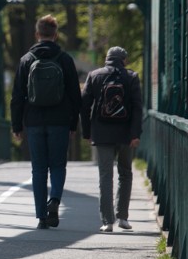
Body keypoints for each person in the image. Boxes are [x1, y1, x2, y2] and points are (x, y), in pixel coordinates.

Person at [10, 14, 82, 229]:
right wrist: (73, 124)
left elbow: (17, 96)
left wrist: (17, 125)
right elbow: (75, 95)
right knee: (58, 166)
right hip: (59, 121)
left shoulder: (26, 60)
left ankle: (41, 216)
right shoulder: (65, 59)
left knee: (38, 169)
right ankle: (55, 200)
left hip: (33, 122)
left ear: (37, 34)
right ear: (56, 34)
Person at [80, 46, 143, 232]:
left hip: (102, 133)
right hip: (125, 134)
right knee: (125, 174)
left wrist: (87, 131)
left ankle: (107, 221)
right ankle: (122, 217)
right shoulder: (131, 77)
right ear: (124, 60)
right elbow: (138, 108)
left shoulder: (94, 76)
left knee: (105, 176)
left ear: (107, 58)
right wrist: (135, 134)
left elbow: (84, 106)